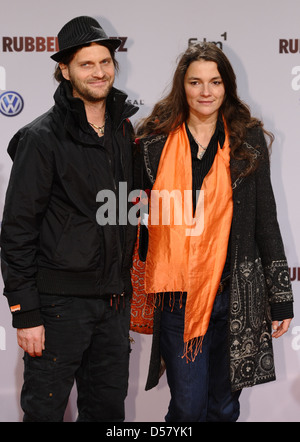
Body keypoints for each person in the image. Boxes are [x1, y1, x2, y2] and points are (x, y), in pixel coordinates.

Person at [135, 42, 293, 422]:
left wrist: (281, 298)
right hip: (178, 297)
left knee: (224, 407)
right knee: (188, 407)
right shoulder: (153, 141)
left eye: (215, 82)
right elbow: (135, 215)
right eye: (195, 82)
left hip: (237, 292)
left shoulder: (248, 140)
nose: (206, 92)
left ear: (227, 86)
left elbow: (265, 220)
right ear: (182, 86)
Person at [0, 16, 138, 422]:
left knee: (108, 415)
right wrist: (25, 313)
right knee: (44, 413)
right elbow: (17, 231)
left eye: (105, 62)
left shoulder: (124, 130)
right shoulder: (41, 138)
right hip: (58, 308)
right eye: (86, 64)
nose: (99, 72)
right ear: (64, 70)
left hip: (113, 305)